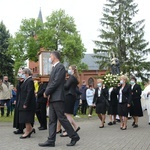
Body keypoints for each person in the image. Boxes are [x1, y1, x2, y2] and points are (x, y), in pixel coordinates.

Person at [38, 51, 80, 147]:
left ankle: (74, 136)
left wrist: (46, 92)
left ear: (55, 57)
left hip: (58, 97)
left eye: (51, 56)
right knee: (52, 119)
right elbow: (51, 82)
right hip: (53, 97)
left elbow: (56, 82)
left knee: (62, 118)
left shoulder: (60, 67)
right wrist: (48, 92)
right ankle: (51, 140)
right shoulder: (54, 68)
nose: (50, 58)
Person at [60, 65, 80, 137]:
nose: (68, 70)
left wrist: (63, 81)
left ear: (73, 70)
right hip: (71, 96)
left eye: (69, 69)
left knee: (66, 114)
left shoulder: (71, 77)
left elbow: (66, 86)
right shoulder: (73, 78)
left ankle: (68, 130)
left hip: (69, 96)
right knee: (68, 114)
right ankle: (76, 126)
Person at [18, 68, 36, 139]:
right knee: (24, 117)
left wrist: (26, 103)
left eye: (23, 73)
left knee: (26, 118)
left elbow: (29, 93)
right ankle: (30, 129)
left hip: (28, 103)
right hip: (23, 101)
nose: (21, 75)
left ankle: (27, 131)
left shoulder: (30, 81)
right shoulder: (26, 80)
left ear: (27, 74)